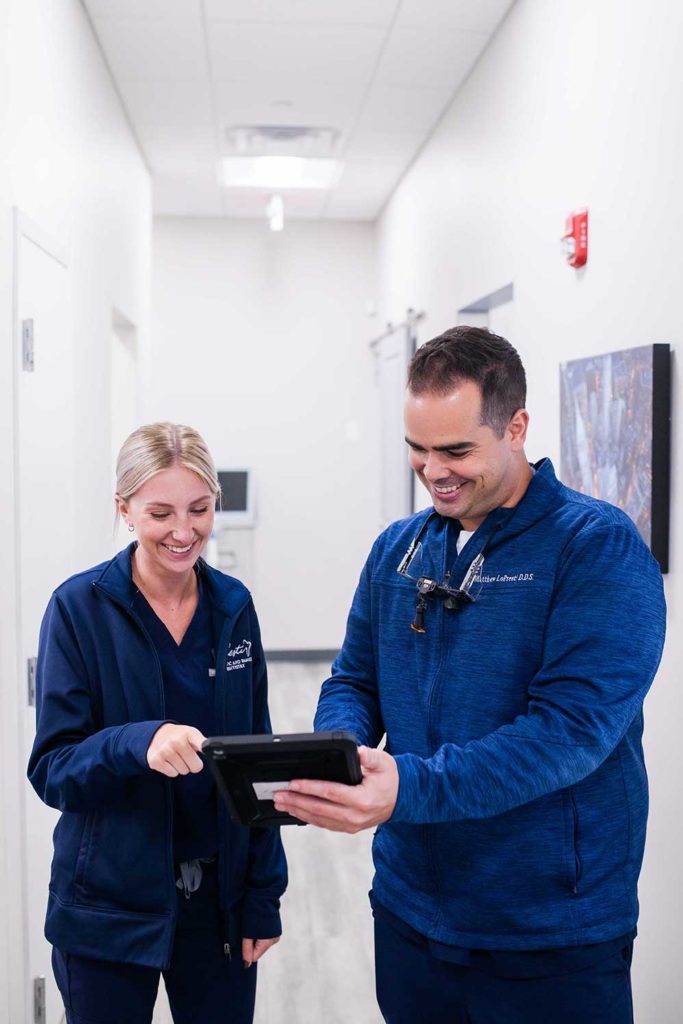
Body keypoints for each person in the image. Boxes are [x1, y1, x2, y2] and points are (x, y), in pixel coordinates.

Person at [273, 327, 666, 1024]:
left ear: (515, 427)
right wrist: (341, 753)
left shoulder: (595, 548)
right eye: (417, 450)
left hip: (548, 933)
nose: (433, 472)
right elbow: (354, 680)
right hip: (409, 910)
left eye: (456, 450)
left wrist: (409, 788)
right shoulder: (397, 549)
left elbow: (568, 735)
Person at [28, 422, 286, 1024]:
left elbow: (258, 764)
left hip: (215, 910)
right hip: (107, 913)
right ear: (124, 509)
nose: (183, 531)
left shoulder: (232, 607)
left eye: (200, 509)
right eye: (160, 512)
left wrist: (261, 899)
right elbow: (52, 770)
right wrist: (137, 742)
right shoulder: (77, 610)